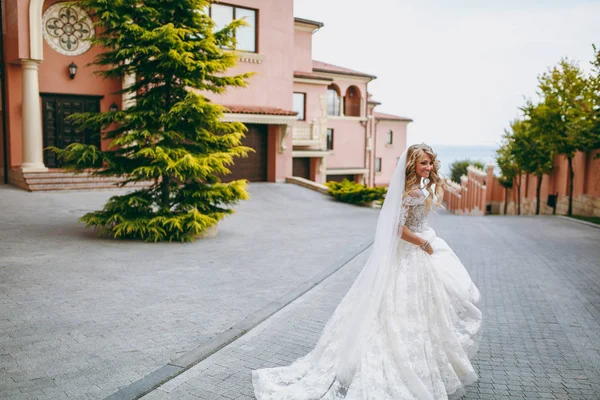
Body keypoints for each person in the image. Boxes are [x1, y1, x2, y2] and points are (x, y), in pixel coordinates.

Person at [253, 144, 482, 400]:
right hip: (412, 252)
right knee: (397, 311)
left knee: (426, 308)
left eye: (430, 163)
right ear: (412, 166)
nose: (428, 167)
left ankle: (425, 362)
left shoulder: (420, 188)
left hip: (417, 253)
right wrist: (424, 243)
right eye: (423, 164)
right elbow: (398, 228)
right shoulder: (410, 193)